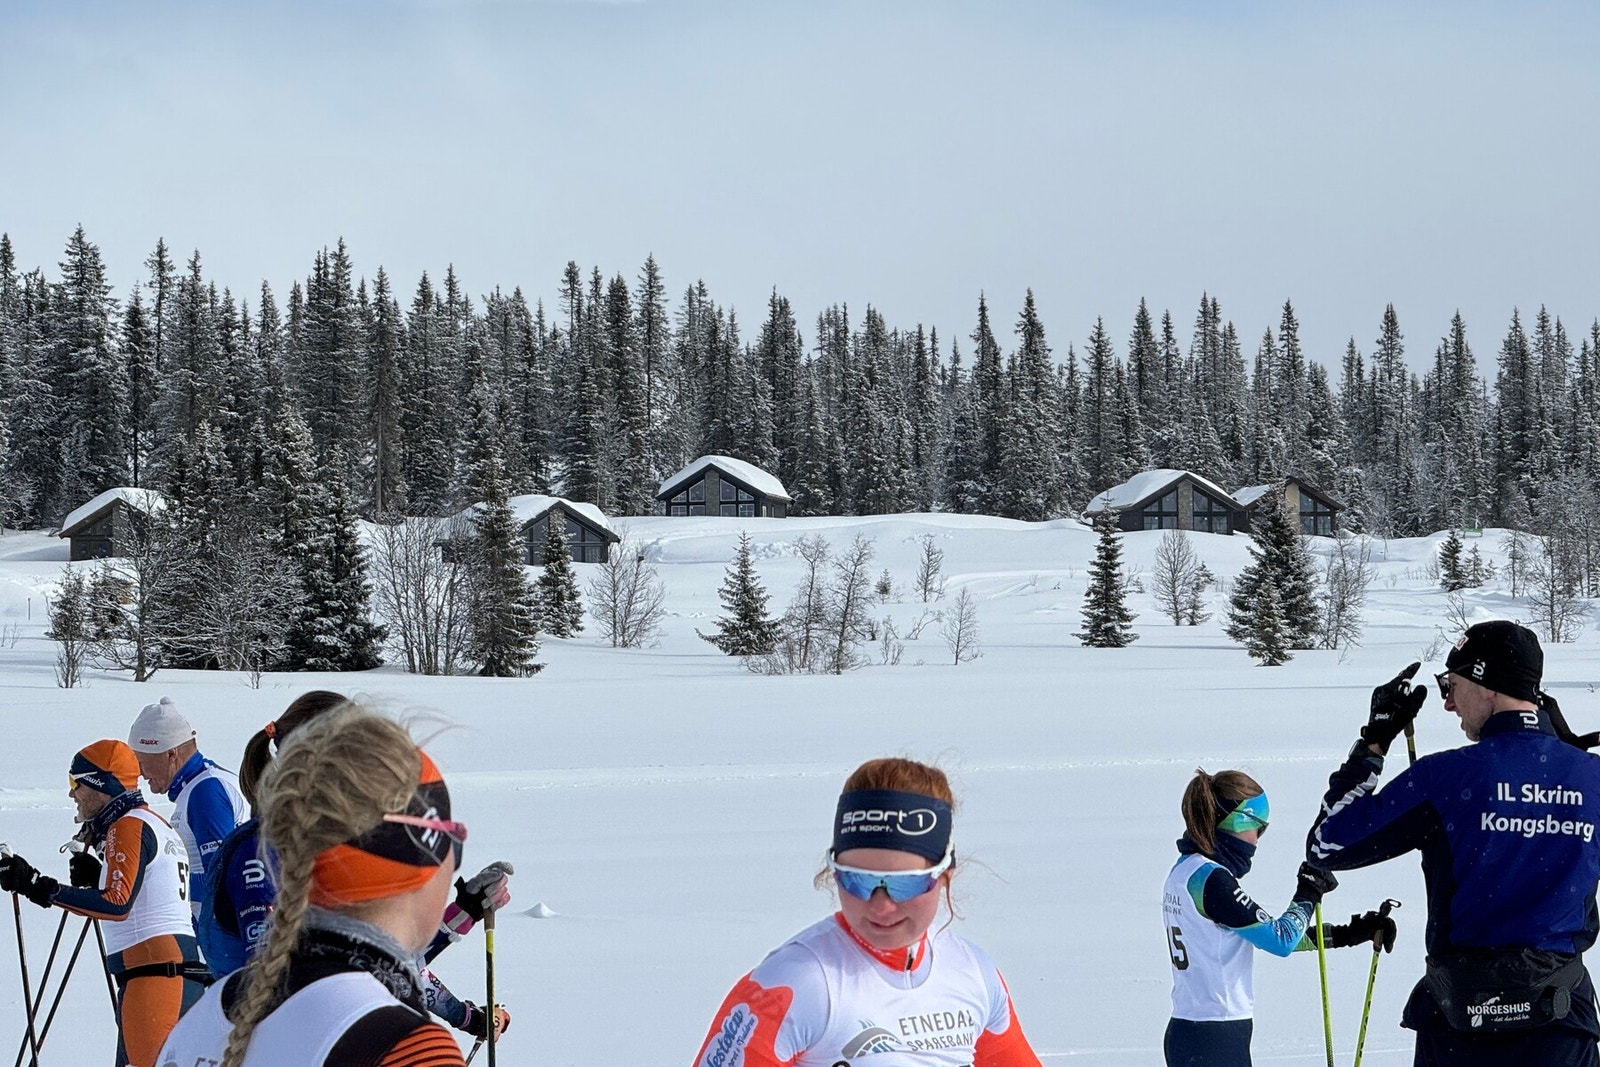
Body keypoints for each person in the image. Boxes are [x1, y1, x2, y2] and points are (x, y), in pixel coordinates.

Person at [1307, 620, 1600, 1066]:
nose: (1447, 702)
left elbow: (1329, 843)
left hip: (1463, 1027)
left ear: (1486, 685)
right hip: (1558, 1028)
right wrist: (1568, 765)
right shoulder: (1591, 778)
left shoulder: (1446, 777)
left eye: (1451, 684)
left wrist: (1373, 744)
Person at [157, 702, 478, 1066]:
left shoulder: (201, 1020)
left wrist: (462, 917)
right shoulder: (406, 1046)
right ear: (421, 856)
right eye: (454, 838)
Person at [692, 757, 1042, 1067]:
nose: (881, 905)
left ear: (944, 876)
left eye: (903, 884)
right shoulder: (800, 981)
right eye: (857, 881)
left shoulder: (973, 973)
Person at [1163, 769, 1394, 1066]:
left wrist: (1348, 934)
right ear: (1234, 822)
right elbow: (1280, 940)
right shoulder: (1212, 881)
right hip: (1217, 1034)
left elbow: (1265, 934)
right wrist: (1308, 892)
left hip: (1193, 1031)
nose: (1257, 840)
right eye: (1258, 827)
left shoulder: (1185, 870)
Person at [0, 739, 204, 1067]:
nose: (71, 794)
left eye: (75, 783)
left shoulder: (128, 825)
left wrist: (38, 886)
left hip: (154, 980)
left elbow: (117, 904)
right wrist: (98, 877)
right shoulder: (151, 822)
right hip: (172, 976)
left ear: (100, 784)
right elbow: (142, 895)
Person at [128, 696, 249, 914]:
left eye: (142, 761)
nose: (139, 772)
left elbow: (223, 879)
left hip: (218, 932)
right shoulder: (197, 787)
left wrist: (152, 884)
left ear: (170, 753)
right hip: (210, 929)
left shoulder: (205, 791)